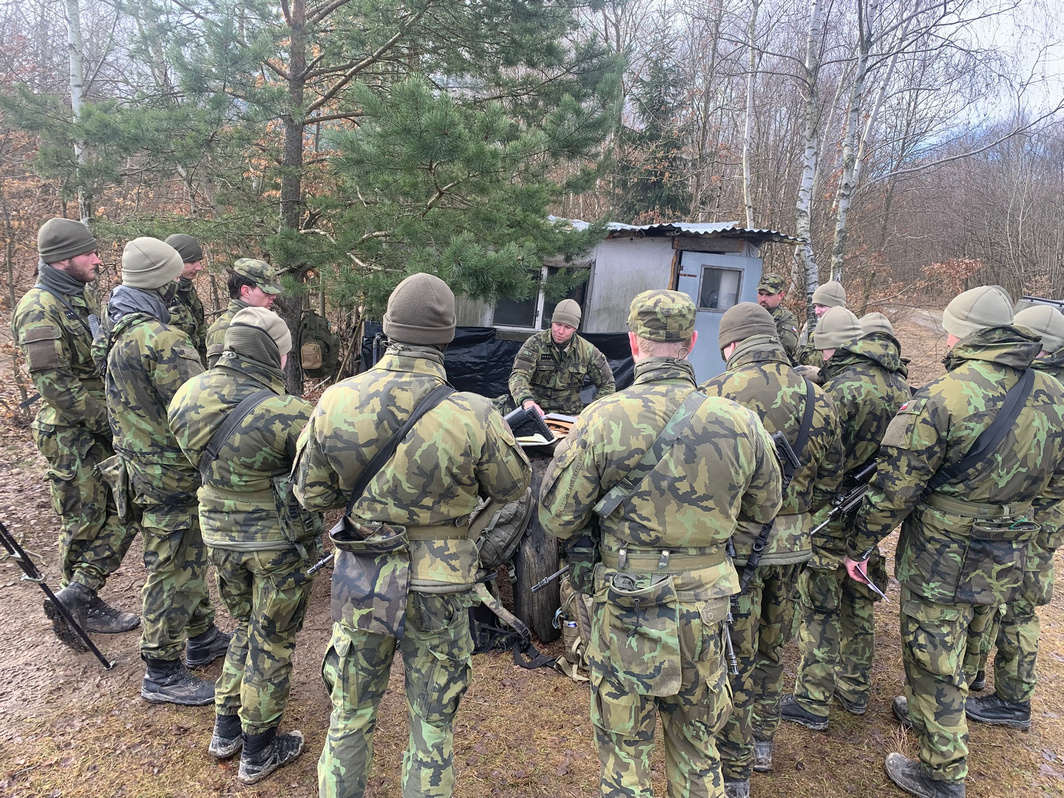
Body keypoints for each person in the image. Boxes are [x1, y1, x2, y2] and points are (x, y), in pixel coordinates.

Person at [538, 289, 784, 798]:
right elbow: (766, 508)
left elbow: (557, 517)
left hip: (626, 605)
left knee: (624, 752)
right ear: (691, 342)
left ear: (633, 342)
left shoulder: (601, 418)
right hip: (706, 607)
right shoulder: (740, 421)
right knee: (698, 748)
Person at [294, 273, 530, 798]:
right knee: (433, 725)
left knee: (349, 714)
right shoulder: (473, 412)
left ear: (388, 328)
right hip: (442, 581)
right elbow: (514, 486)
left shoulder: (336, 400)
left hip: (364, 575)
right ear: (446, 337)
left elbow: (310, 493)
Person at [846, 286, 1064, 798]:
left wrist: (859, 541)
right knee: (975, 631)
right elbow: (1057, 485)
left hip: (942, 551)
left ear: (961, 334)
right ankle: (938, 714)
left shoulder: (943, 396)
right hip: (1010, 544)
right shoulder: (1053, 393)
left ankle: (942, 772)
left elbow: (894, 491)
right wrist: (1026, 526)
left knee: (932, 654)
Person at [169, 306, 321, 784]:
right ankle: (259, 748)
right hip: (277, 544)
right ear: (273, 354)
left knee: (244, 625)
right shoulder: (289, 412)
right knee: (272, 639)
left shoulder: (187, 394)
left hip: (217, 535)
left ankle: (225, 728)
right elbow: (318, 481)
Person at [701, 303, 842, 797]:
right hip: (795, 547)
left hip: (738, 549)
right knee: (772, 647)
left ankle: (735, 767)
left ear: (731, 344)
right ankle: (763, 739)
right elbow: (831, 481)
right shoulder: (820, 397)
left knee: (733, 655)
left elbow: (703, 482)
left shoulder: (714, 394)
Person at [99, 237, 228, 706]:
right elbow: (199, 409)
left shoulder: (112, 325)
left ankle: (202, 636)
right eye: (174, 277)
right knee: (174, 567)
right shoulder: (162, 340)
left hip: (138, 463)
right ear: (162, 282)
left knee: (184, 558)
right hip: (170, 471)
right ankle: (161, 669)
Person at [11, 218, 140, 648]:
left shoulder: (77, 296)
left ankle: (80, 595)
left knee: (120, 510)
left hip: (99, 424)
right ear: (62, 258)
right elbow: (55, 385)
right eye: (89, 253)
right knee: (83, 519)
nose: (98, 260)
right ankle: (75, 612)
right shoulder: (38, 308)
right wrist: (109, 422)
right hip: (71, 434)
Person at [782, 306, 910, 733]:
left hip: (832, 510)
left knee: (819, 605)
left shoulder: (841, 391)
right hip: (872, 513)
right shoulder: (898, 383)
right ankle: (854, 688)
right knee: (858, 599)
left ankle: (812, 699)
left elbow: (818, 453)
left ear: (834, 347)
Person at [962, 303, 1064, 731]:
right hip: (1039, 520)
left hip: (1029, 521)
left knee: (1015, 608)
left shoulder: (1042, 390)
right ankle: (978, 677)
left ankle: (1011, 700)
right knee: (999, 600)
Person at [508, 299, 615, 416]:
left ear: (575, 328)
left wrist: (589, 414)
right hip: (536, 412)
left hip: (570, 416)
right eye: (558, 324)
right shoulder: (535, 344)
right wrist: (527, 400)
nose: (560, 331)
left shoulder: (587, 351)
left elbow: (608, 385)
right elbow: (519, 376)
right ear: (552, 322)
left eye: (567, 327)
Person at [205, 258, 283, 367]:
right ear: (246, 291)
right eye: (267, 291)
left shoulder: (264, 322)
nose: (273, 296)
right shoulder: (223, 329)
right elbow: (220, 375)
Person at [164, 233, 208, 361]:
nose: (199, 267)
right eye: (192, 262)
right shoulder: (159, 296)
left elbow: (200, 330)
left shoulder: (186, 287)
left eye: (199, 261)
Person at [795, 280, 847, 368]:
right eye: (815, 306)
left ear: (836, 307)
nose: (817, 312)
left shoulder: (850, 334)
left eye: (821, 306)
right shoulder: (816, 333)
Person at [756, 273, 799, 361]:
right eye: (760, 294)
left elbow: (786, 347)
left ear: (781, 295)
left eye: (769, 295)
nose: (763, 299)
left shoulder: (787, 318)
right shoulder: (750, 314)